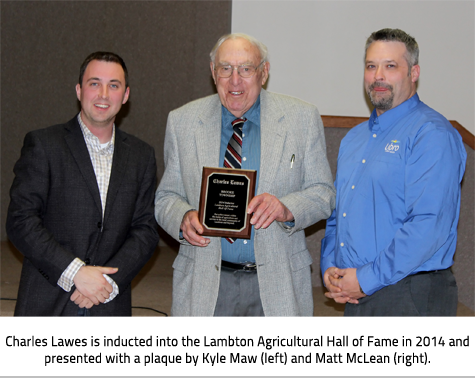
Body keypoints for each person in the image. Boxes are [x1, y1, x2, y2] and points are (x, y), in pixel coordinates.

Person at [155, 33, 335, 317]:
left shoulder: (302, 118)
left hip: (277, 282)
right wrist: (182, 217)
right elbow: (166, 196)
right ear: (214, 73)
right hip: (206, 280)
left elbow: (323, 193)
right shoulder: (183, 121)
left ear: (263, 73)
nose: (234, 80)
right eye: (225, 68)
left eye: (246, 69)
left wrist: (286, 208)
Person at [321, 29, 467, 317]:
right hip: (356, 294)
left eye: (390, 66)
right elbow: (339, 214)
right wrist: (331, 269)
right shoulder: (354, 139)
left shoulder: (432, 134)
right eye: (371, 66)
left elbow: (428, 225)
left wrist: (365, 279)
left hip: (409, 295)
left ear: (414, 73)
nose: (378, 76)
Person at [6, 52, 159, 317]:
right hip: (48, 300)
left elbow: (145, 229)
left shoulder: (141, 155)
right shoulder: (44, 145)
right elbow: (21, 220)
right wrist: (75, 272)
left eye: (114, 85)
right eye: (94, 83)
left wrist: (107, 282)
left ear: (125, 95)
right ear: (79, 90)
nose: (103, 94)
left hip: (109, 301)